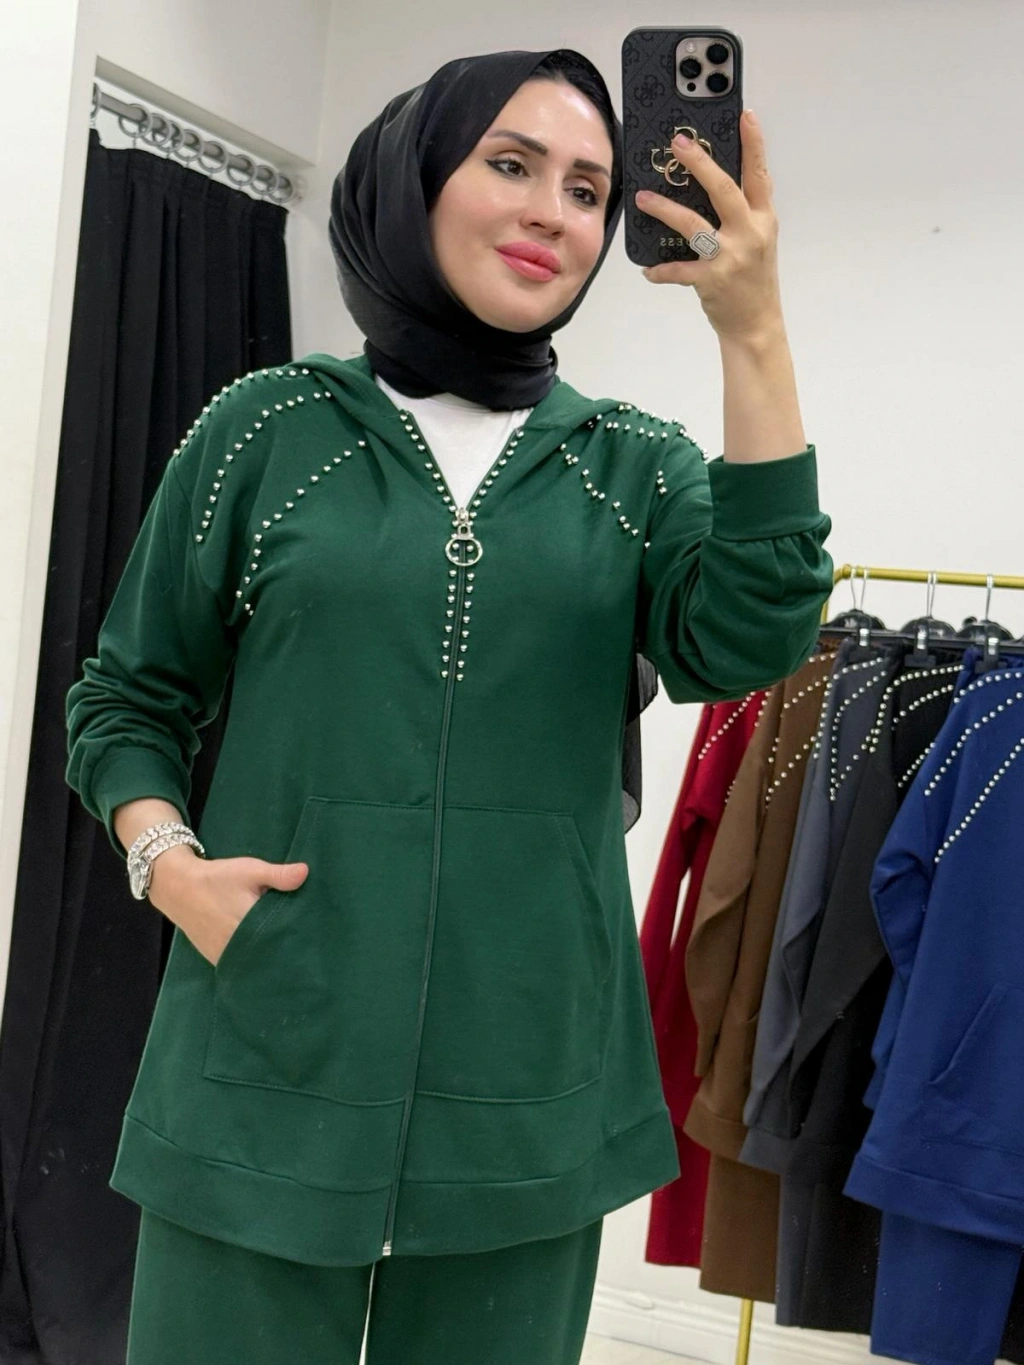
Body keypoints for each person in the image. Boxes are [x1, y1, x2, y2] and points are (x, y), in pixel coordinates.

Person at [65, 46, 834, 1365]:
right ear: (415, 177)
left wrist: (752, 330)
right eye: (511, 164)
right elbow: (126, 696)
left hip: (527, 1081)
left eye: (587, 189)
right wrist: (168, 865)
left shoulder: (633, 469)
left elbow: (753, 639)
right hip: (265, 1052)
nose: (552, 213)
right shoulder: (264, 432)